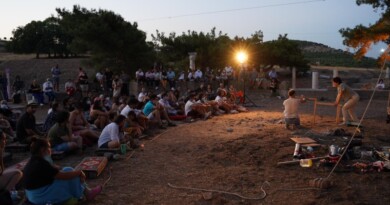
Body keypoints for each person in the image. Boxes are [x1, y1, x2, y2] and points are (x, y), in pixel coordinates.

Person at [23, 137, 101, 204]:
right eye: (49, 148)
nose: (51, 150)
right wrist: (79, 172)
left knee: (67, 170)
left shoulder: (34, 161)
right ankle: (86, 193)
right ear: (43, 150)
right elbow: (63, 176)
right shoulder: (41, 164)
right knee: (70, 174)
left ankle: (86, 192)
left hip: (33, 196)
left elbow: (53, 170)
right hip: (40, 197)